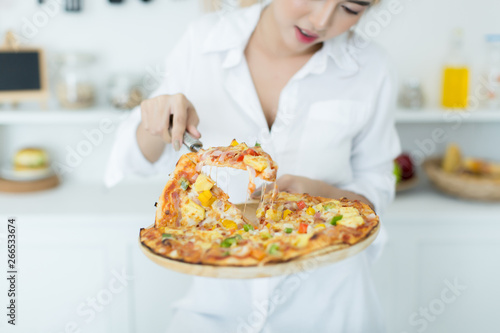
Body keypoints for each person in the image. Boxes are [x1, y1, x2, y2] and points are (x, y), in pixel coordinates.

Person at [105, 0, 401, 332]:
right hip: (215, 308)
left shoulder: (372, 67)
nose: (320, 21)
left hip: (330, 308)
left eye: (350, 7)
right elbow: (131, 160)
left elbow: (377, 186)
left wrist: (322, 197)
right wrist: (156, 121)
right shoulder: (204, 41)